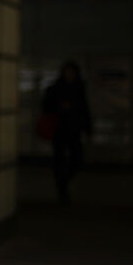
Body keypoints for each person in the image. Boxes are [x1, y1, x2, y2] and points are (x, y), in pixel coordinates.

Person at [40, 60, 92, 204]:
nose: (69, 75)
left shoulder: (78, 88)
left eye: (72, 72)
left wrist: (88, 128)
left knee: (77, 158)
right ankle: (61, 187)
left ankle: (63, 181)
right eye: (67, 72)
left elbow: (84, 109)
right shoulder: (56, 88)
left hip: (73, 129)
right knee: (59, 159)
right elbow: (46, 107)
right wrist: (60, 107)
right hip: (59, 129)